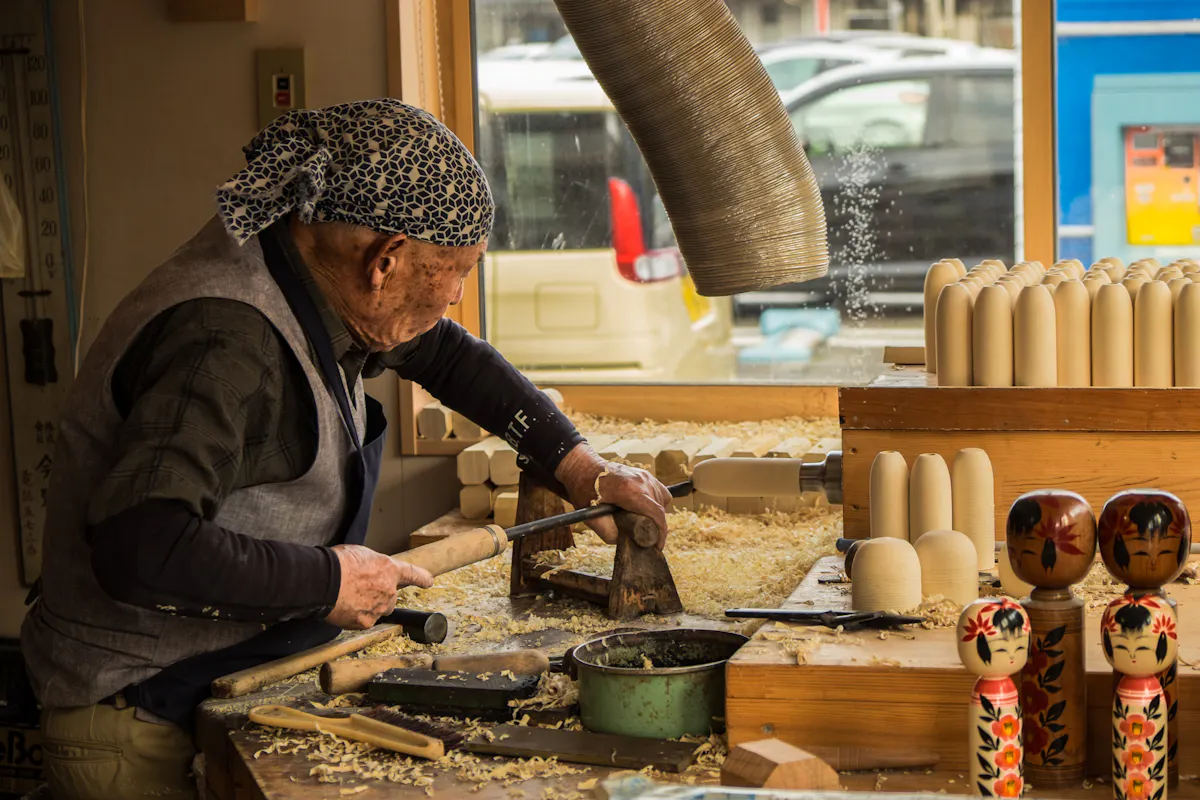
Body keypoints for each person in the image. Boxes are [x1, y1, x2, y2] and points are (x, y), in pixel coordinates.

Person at [21, 99, 672, 799]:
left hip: (222, 676)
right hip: (136, 713)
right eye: (456, 271)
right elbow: (139, 545)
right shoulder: (226, 342)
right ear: (386, 260)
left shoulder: (311, 271)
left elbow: (450, 358)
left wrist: (578, 464)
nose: (455, 296)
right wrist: (326, 582)